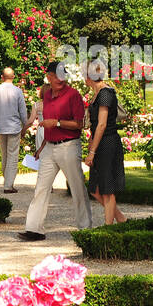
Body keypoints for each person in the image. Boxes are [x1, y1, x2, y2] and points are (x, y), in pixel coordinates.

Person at [17, 60, 91, 241]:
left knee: (77, 188)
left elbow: (79, 124)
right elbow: (48, 126)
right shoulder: (47, 96)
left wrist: (57, 122)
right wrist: (42, 148)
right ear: (49, 77)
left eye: (63, 74)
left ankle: (86, 229)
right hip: (49, 147)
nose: (61, 78)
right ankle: (34, 229)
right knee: (41, 188)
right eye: (56, 75)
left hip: (69, 146)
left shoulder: (74, 95)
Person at [83, 61, 127, 224]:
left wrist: (92, 151)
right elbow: (96, 125)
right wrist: (91, 144)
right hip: (100, 141)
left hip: (107, 143)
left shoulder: (105, 93)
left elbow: (102, 124)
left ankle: (108, 228)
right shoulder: (97, 93)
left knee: (107, 189)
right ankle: (121, 218)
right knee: (95, 189)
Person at [0, 67, 28, 194]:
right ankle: (8, 185)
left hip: (0, 127)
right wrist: (25, 126)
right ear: (13, 76)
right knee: (12, 156)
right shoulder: (18, 91)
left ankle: (7, 181)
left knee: (4, 155)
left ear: (2, 76)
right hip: (14, 127)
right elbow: (22, 111)